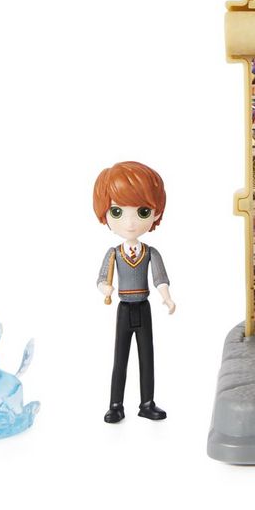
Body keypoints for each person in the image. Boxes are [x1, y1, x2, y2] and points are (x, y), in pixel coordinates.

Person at [93, 161, 175, 423]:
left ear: (155, 213)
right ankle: (116, 404)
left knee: (146, 356)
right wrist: (105, 287)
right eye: (117, 212)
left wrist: (166, 297)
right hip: (124, 309)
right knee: (121, 358)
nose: (129, 223)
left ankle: (147, 403)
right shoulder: (114, 254)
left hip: (144, 307)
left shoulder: (150, 253)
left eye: (142, 211)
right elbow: (101, 279)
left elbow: (160, 278)